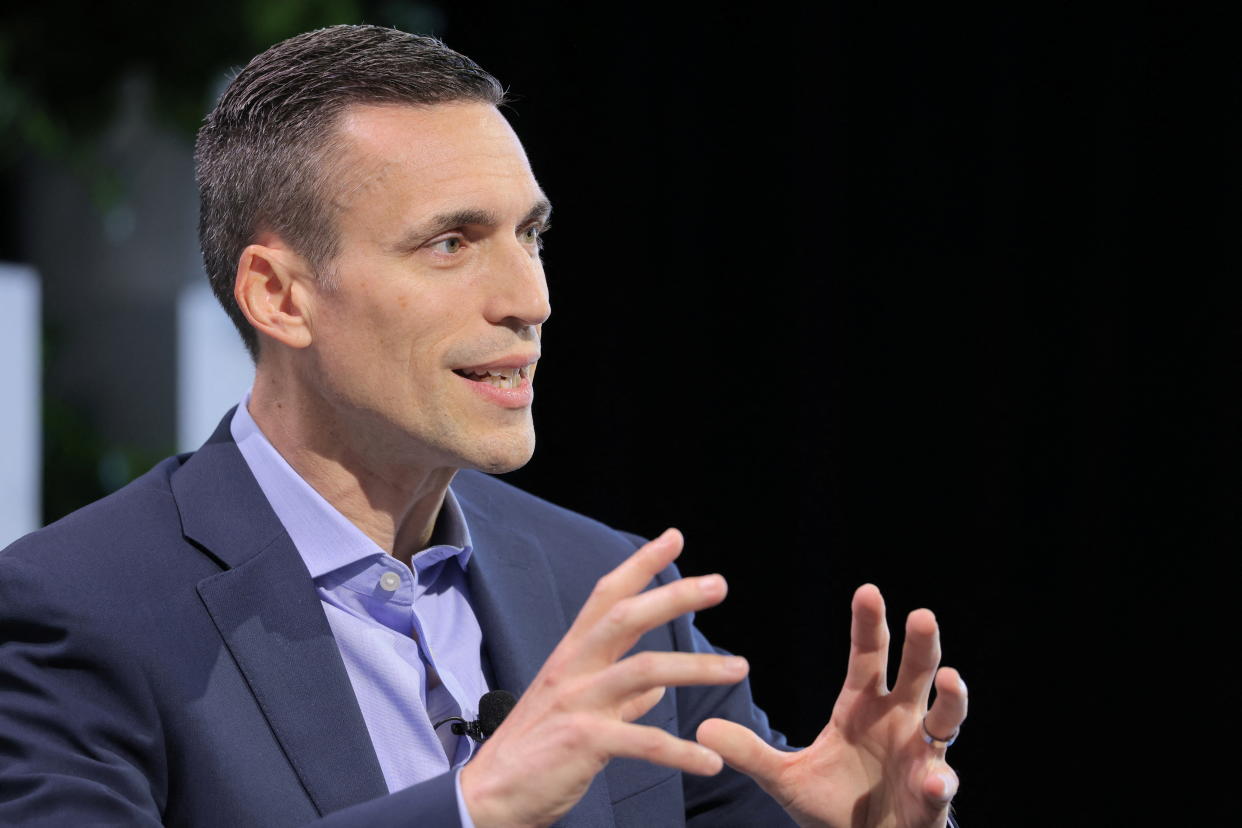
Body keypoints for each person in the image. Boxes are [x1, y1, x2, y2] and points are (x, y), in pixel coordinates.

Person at [0, 25, 966, 827]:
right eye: (452, 242)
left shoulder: (615, 594)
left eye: (532, 235)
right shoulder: (77, 610)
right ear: (280, 296)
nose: (530, 298)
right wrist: (471, 806)